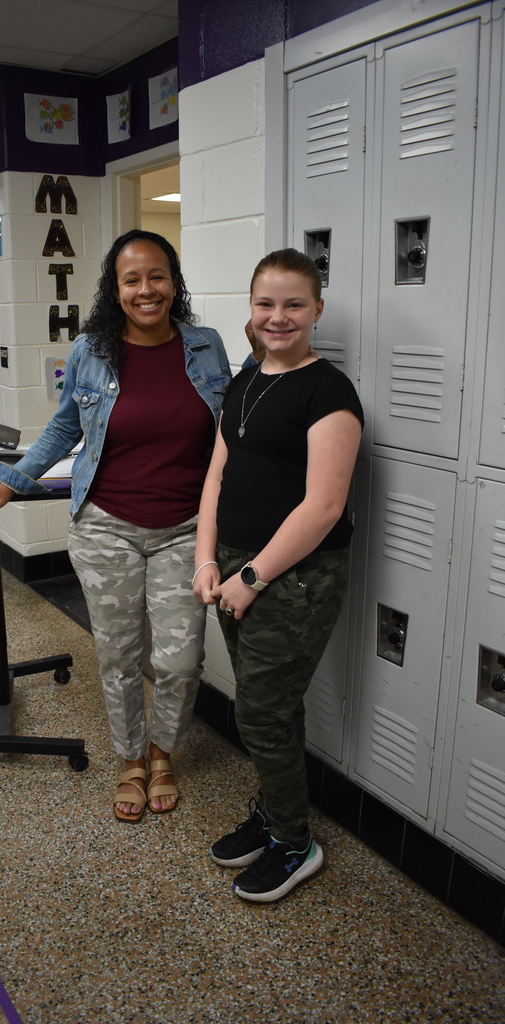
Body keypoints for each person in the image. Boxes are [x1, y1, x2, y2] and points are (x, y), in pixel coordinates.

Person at [0, 230, 232, 822]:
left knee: (179, 660)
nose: (147, 290)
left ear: (174, 281)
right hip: (106, 526)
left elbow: (227, 427)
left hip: (186, 529)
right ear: (115, 289)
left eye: (157, 276)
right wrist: (14, 479)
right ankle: (131, 762)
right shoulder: (93, 350)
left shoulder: (206, 345)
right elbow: (65, 429)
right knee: (118, 656)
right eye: (132, 279)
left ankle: (163, 751)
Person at [193, 248, 363, 902]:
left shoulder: (328, 392)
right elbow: (216, 475)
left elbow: (322, 506)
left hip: (292, 577)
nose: (278, 316)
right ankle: (272, 817)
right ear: (251, 309)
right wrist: (207, 558)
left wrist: (252, 576)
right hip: (235, 565)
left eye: (294, 304)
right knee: (266, 708)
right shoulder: (248, 379)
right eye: (265, 303)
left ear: (316, 309)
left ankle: (295, 842)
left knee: (261, 713)